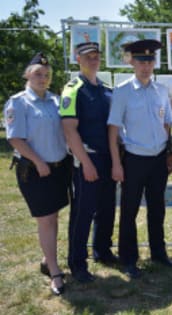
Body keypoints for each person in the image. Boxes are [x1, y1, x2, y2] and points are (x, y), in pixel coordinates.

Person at [108, 39, 172, 279]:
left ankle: (158, 252)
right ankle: (128, 258)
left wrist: (169, 152)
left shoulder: (161, 91)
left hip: (157, 159)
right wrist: (116, 163)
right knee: (129, 211)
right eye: (141, 61)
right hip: (134, 160)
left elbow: (167, 122)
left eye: (150, 61)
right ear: (132, 62)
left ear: (154, 63)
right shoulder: (123, 91)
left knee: (157, 209)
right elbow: (113, 130)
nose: (146, 66)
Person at [4, 52, 70, 295]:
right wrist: (38, 161)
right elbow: (15, 138)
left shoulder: (55, 100)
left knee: (53, 217)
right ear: (28, 76)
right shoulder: (18, 102)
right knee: (46, 219)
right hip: (34, 170)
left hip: (59, 167)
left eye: (46, 75)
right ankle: (54, 271)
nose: (43, 78)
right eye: (38, 74)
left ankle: (47, 258)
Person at [60, 42, 117, 283]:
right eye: (88, 56)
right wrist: (85, 163)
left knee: (106, 208)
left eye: (96, 56)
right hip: (87, 158)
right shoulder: (73, 89)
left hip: (107, 157)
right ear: (78, 58)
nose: (93, 60)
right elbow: (69, 130)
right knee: (83, 212)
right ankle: (77, 262)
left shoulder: (106, 90)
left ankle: (102, 250)